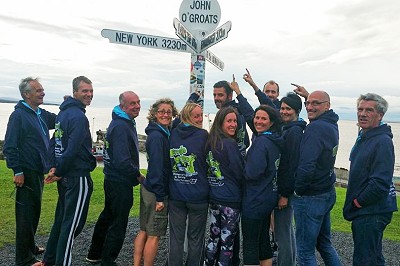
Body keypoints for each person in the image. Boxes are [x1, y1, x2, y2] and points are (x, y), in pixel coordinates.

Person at [35, 76, 96, 266]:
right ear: (75, 92)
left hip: (65, 176)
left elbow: (55, 143)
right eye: (85, 91)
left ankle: (49, 261)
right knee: (72, 226)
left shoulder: (63, 114)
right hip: (77, 177)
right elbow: (73, 149)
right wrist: (58, 169)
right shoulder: (78, 117)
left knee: (62, 221)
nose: (89, 94)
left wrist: (53, 167)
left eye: (91, 91)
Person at [86, 91, 144, 265]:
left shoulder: (123, 122)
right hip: (119, 181)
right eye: (132, 103)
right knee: (118, 222)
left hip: (111, 178)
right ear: (122, 106)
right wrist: (137, 175)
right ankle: (108, 260)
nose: (137, 106)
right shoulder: (121, 126)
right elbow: (122, 160)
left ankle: (94, 253)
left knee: (108, 216)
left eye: (138, 102)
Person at [4, 77, 56, 266]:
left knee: (34, 212)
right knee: (26, 215)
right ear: (26, 94)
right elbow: (10, 146)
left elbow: (58, 120)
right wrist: (17, 170)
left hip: (37, 171)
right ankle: (24, 259)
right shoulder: (19, 116)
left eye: (42, 90)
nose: (42, 93)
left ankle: (31, 246)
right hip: (26, 171)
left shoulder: (39, 113)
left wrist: (69, 105)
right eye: (38, 90)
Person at [343, 93, 398, 266]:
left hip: (371, 211)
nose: (362, 114)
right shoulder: (366, 137)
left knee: (364, 260)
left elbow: (380, 183)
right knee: (373, 258)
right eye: (360, 109)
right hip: (368, 211)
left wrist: (357, 202)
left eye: (369, 110)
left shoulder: (381, 141)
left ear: (380, 115)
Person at [292, 90, 341, 266]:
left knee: (305, 252)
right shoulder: (331, 124)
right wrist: (308, 96)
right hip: (326, 191)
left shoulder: (315, 128)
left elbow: (307, 165)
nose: (309, 107)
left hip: (311, 196)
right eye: (308, 103)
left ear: (327, 105)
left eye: (315, 103)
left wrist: (298, 190)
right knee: (324, 244)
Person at [133, 98, 178, 266]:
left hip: (148, 186)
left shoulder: (156, 132)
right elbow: (158, 167)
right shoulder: (159, 137)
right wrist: (160, 197)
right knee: (154, 235)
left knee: (144, 230)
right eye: (161, 112)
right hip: (156, 192)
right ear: (154, 114)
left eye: (169, 112)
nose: (165, 115)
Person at [241, 104, 283, 266]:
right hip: (268, 197)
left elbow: (252, 173)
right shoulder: (275, 140)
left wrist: (241, 168)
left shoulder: (261, 142)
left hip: (254, 200)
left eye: (263, 118)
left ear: (271, 122)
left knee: (250, 244)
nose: (258, 121)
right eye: (257, 118)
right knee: (263, 240)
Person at [168, 103, 209, 266]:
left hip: (177, 193)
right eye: (196, 116)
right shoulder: (203, 135)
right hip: (197, 195)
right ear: (186, 117)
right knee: (195, 238)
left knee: (176, 238)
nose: (200, 119)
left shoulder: (172, 134)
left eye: (201, 115)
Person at [204, 106, 244, 266]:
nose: (233, 124)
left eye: (235, 121)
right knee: (227, 242)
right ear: (220, 122)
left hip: (214, 198)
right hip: (230, 201)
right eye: (229, 121)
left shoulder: (210, 143)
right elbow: (239, 172)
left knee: (214, 238)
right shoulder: (229, 144)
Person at [274, 93, 307, 266]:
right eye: (282, 108)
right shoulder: (289, 128)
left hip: (285, 191)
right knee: (287, 230)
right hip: (286, 189)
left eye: (288, 109)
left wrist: (285, 194)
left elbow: (291, 165)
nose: (284, 112)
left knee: (282, 234)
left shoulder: (294, 132)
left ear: (297, 111)